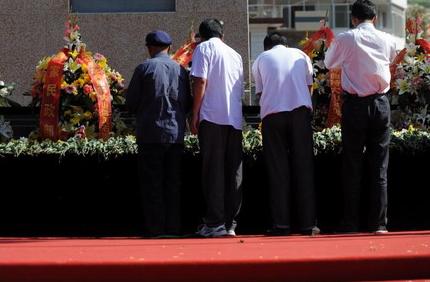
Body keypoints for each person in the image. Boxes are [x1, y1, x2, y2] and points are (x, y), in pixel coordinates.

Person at [324, 0, 399, 234]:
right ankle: (379, 224)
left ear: (353, 19)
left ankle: (350, 222)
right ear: (375, 18)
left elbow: (328, 63)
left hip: (355, 105)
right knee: (380, 168)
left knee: (352, 166)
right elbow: (390, 59)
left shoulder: (347, 38)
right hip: (381, 104)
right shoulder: (387, 39)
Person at [125, 29, 192, 238]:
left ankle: (156, 229)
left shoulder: (143, 68)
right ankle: (173, 228)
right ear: (170, 48)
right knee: (173, 183)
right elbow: (188, 103)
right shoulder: (181, 70)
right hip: (175, 133)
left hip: (150, 133)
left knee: (152, 183)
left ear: (148, 48)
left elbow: (131, 103)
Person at [252, 33, 318, 236]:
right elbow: (309, 87)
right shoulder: (301, 54)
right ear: (285, 44)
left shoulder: (261, 59)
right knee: (303, 168)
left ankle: (281, 224)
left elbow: (261, 92)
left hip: (273, 116)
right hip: (300, 113)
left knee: (278, 169)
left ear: (266, 47)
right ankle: (308, 224)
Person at [190, 18, 244, 238]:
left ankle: (215, 223)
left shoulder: (203, 48)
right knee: (233, 172)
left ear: (200, 37)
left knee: (213, 170)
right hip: (234, 117)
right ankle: (230, 223)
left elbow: (200, 81)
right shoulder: (235, 54)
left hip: (212, 115)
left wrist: (195, 112)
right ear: (223, 36)